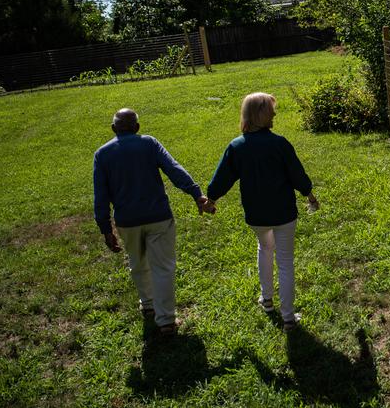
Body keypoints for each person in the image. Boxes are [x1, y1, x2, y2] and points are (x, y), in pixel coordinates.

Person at [93, 108, 214, 336]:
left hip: (127, 221)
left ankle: (148, 305)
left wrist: (106, 229)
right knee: (163, 268)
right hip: (158, 217)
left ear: (113, 129)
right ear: (137, 128)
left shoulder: (102, 154)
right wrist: (196, 194)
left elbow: (100, 196)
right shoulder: (149, 143)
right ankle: (166, 321)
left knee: (138, 263)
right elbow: (173, 169)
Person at [207, 92, 319, 332]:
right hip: (283, 213)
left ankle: (267, 299)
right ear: (260, 114)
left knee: (265, 248)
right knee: (285, 261)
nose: (275, 114)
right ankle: (288, 317)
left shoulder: (237, 147)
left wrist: (211, 198)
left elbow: (222, 178)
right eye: (271, 110)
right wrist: (309, 194)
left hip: (256, 215)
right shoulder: (279, 144)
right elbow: (297, 175)